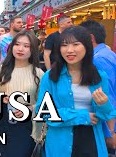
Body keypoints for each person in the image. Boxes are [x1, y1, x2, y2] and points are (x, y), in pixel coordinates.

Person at [36, 26, 116, 156]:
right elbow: (44, 112)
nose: (70, 50)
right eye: (64, 45)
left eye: (76, 44)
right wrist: (82, 116)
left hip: (91, 139)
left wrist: (104, 105)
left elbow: (105, 115)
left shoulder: (99, 76)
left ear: (86, 46)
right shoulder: (50, 77)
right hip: (60, 141)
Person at [0, 30, 44, 157]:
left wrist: (30, 108)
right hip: (4, 121)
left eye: (26, 46)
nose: (20, 48)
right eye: (17, 44)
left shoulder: (38, 73)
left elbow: (44, 102)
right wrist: (0, 99)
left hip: (26, 125)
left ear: (32, 49)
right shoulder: (1, 69)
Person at [80, 20, 116, 153]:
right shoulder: (108, 54)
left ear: (90, 38)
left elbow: (107, 96)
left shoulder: (97, 60)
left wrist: (109, 132)